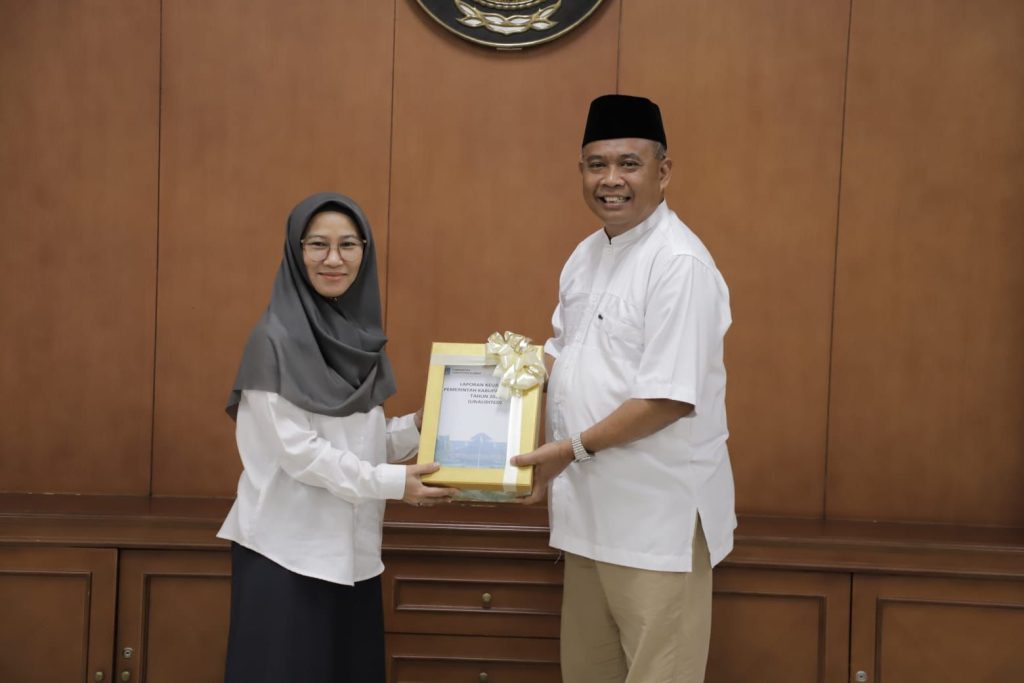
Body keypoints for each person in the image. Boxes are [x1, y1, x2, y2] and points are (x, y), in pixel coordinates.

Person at [511, 95, 736, 683]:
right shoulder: (585, 255)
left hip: (656, 525)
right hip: (587, 520)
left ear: (663, 171)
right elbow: (563, 354)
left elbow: (668, 398)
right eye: (597, 164)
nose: (610, 180)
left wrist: (567, 451)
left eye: (628, 163)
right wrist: (491, 382)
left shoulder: (679, 263)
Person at [217, 192, 456, 682]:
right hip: (286, 555)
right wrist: (395, 484)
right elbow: (301, 454)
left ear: (364, 253)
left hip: (353, 557)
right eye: (318, 245)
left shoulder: (357, 339)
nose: (333, 259)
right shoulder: (273, 339)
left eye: (348, 245)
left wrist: (420, 425)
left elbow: (360, 443)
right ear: (296, 250)